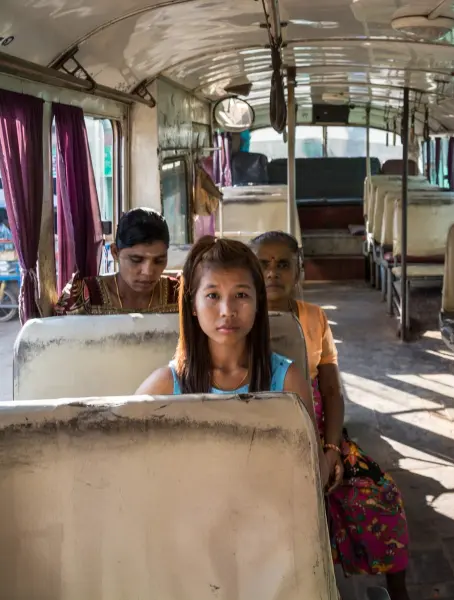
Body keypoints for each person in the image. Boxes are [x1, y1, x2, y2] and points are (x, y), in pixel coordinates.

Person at [251, 231, 411, 600]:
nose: (273, 273)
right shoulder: (237, 319)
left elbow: (332, 390)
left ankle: (398, 593)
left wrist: (332, 448)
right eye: (263, 264)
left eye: (283, 265)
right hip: (264, 440)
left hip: (319, 432)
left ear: (299, 271)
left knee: (381, 496)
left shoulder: (314, 318)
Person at [134, 236, 330, 476]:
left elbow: (313, 470)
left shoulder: (287, 381)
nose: (227, 311)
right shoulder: (165, 385)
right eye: (213, 296)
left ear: (258, 302)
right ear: (193, 304)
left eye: (241, 295)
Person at [54, 207, 179, 315]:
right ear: (115, 252)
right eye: (136, 260)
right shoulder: (83, 297)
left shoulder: (179, 294)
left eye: (159, 260)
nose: (148, 272)